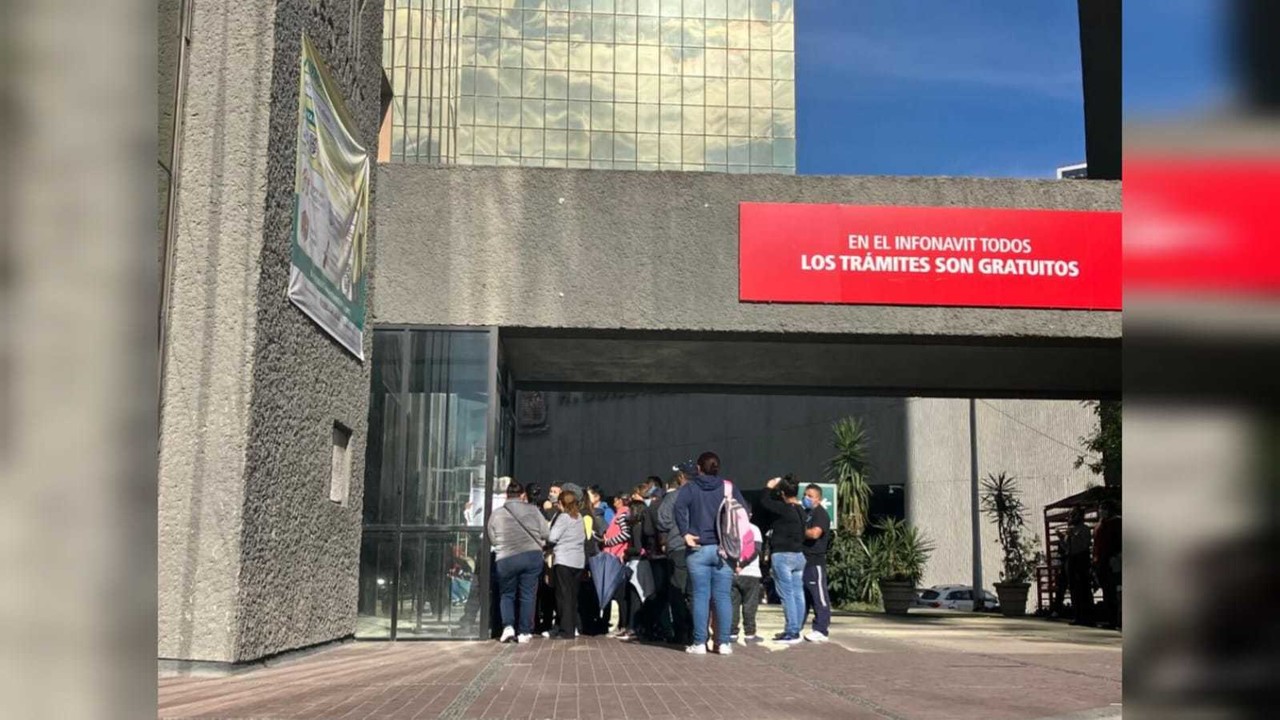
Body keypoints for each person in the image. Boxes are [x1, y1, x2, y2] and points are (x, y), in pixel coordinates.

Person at [674, 451, 748, 655]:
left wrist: (685, 533)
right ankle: (723, 642)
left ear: (698, 468)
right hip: (725, 549)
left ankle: (699, 642)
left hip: (697, 548)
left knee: (700, 597)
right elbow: (744, 512)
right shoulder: (728, 487)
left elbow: (678, 507)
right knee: (723, 597)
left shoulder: (691, 488)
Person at [485, 481, 549, 643]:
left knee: (507, 594)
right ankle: (524, 631)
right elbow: (545, 533)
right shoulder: (533, 510)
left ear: (507, 495)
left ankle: (508, 627)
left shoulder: (497, 514)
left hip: (506, 557)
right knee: (528, 594)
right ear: (522, 495)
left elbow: (492, 537)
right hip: (531, 556)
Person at [761, 475, 807, 644]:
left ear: (782, 493)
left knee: (786, 594)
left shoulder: (784, 508)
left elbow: (765, 502)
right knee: (798, 593)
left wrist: (768, 486)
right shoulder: (800, 510)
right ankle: (797, 629)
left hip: (783, 554)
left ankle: (792, 631)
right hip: (799, 555)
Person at [655, 469, 692, 646]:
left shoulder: (675, 496)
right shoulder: (704, 495)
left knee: (677, 591)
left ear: (681, 477)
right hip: (702, 547)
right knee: (697, 593)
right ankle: (697, 632)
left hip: (679, 546)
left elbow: (662, 520)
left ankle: (682, 633)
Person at [547, 490, 587, 639]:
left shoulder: (563, 517)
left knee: (563, 596)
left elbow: (552, 537)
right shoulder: (579, 517)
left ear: (562, 503)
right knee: (572, 596)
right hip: (578, 561)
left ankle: (566, 630)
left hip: (564, 559)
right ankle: (572, 627)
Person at [801, 483, 833, 643]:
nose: (806, 498)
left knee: (818, 596)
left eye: (810, 496)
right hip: (802, 561)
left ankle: (821, 629)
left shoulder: (820, 514)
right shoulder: (806, 514)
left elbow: (815, 534)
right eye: (804, 495)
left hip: (815, 561)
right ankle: (795, 628)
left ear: (818, 499)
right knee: (803, 597)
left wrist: (798, 532)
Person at [730, 518, 764, 644]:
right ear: (749, 514)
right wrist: (743, 565)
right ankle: (750, 634)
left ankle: (732, 633)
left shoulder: (729, 528)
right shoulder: (754, 529)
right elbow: (756, 550)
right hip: (751, 572)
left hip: (732, 571)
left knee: (732, 603)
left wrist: (735, 565)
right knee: (750, 604)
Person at [1064, 506, 1095, 627]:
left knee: (1084, 587)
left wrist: (1074, 535)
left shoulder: (1085, 529)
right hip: (1071, 558)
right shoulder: (1070, 529)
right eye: (1071, 515)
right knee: (1073, 588)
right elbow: (1066, 546)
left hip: (1081, 558)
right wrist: (1064, 537)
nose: (1071, 517)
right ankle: (1077, 615)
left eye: (1074, 515)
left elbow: (1084, 545)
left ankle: (1088, 617)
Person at [1093, 500, 1122, 629]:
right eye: (1100, 508)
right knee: (1106, 590)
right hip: (1101, 561)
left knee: (1113, 590)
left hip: (1112, 560)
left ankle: (1115, 620)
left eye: (1104, 508)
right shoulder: (1100, 524)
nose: (1101, 511)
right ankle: (1110, 619)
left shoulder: (1117, 522)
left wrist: (1117, 557)